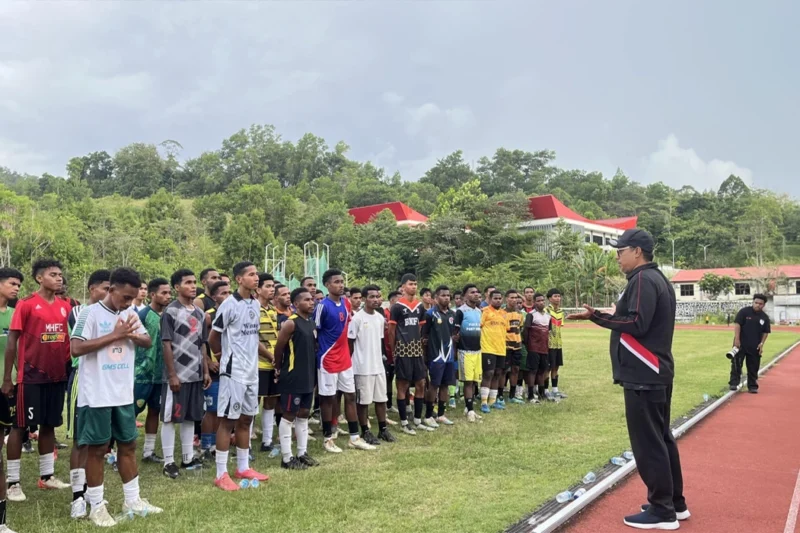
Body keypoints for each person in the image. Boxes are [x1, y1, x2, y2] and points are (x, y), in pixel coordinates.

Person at [568, 228, 687, 530]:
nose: (618, 258)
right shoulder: (654, 279)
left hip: (644, 373)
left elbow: (636, 322)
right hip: (654, 371)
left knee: (649, 443)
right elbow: (636, 316)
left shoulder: (643, 279)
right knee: (661, 438)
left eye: (620, 252)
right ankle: (674, 502)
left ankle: (663, 511)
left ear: (636, 251)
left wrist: (595, 316)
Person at [71, 267, 162, 526]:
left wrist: (132, 333)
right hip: (97, 393)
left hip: (123, 392)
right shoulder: (89, 313)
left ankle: (132, 499)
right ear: (111, 290)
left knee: (128, 445)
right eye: (124, 297)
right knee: (98, 449)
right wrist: (115, 335)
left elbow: (145, 341)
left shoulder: (130, 312)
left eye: (132, 298)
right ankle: (97, 506)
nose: (129, 303)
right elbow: (75, 348)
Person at [2, 259, 72, 503]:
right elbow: (12, 341)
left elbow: (66, 342)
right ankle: (12, 482)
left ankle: (46, 476)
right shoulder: (26, 305)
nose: (59, 278)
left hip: (57, 377)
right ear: (40, 278)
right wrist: (8, 378)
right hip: (30, 377)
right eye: (53, 274)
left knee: (50, 425)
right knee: (19, 428)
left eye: (60, 274)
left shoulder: (65, 306)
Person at [209, 261, 269, 491]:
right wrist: (221, 356)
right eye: (251, 275)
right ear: (239, 279)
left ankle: (243, 466)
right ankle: (221, 473)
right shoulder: (228, 305)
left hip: (252, 371)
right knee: (228, 421)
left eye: (257, 275)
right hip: (234, 372)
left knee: (246, 419)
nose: (256, 278)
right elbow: (214, 336)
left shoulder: (255, 304)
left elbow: (252, 339)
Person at [66, 269, 111, 519]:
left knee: (99, 441)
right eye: (105, 288)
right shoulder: (80, 311)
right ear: (93, 288)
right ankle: (77, 496)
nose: (109, 293)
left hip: (107, 380)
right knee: (80, 441)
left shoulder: (116, 314)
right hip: (83, 380)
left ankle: (94, 493)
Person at [315, 269, 375, 452]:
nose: (340, 285)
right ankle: (327, 438)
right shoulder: (322, 306)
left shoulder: (347, 304)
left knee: (350, 396)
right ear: (327, 285)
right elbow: (315, 333)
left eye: (342, 281)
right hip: (328, 359)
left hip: (344, 359)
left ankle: (354, 437)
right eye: (336, 282)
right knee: (328, 398)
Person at [160, 269, 210, 479]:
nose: (192, 286)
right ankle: (168, 461)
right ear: (177, 287)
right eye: (187, 282)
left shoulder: (200, 313)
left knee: (191, 416)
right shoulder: (170, 312)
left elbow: (203, 344)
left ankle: (188, 457)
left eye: (194, 282)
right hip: (178, 375)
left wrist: (206, 370)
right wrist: (172, 375)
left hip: (196, 374)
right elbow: (166, 345)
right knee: (171, 418)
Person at [273, 288, 320, 470]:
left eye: (312, 299)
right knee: (289, 416)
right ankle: (286, 458)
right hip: (293, 377)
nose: (311, 302)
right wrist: (278, 368)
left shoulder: (311, 322)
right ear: (296, 303)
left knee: (303, 415)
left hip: (308, 376)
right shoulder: (290, 323)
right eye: (307, 300)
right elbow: (279, 348)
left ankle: (302, 453)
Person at [348, 285, 395, 444]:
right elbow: (350, 343)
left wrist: (383, 360)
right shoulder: (357, 319)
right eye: (372, 297)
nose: (376, 300)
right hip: (362, 367)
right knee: (363, 402)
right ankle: (365, 431)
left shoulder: (380, 318)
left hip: (378, 366)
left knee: (381, 399)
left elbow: (380, 341)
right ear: (363, 299)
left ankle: (383, 429)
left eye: (378, 296)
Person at [388, 274, 432, 435]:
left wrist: (419, 345)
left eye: (415, 284)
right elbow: (391, 331)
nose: (414, 286)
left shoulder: (420, 307)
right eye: (410, 284)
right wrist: (395, 351)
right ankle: (404, 422)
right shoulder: (397, 307)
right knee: (403, 385)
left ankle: (418, 420)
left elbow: (420, 329)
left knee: (421, 383)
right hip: (403, 350)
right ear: (403, 287)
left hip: (416, 350)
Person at [134, 278, 171, 466]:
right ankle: (112, 452)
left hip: (161, 375)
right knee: (129, 413)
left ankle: (148, 451)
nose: (167, 296)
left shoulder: (169, 315)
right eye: (163, 293)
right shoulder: (143, 314)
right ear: (152, 295)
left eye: (169, 293)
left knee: (155, 412)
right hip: (141, 374)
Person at [0, 268, 22, 533]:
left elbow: (16, 350)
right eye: (12, 283)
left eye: (18, 284)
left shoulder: (15, 314)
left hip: (7, 386)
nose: (16, 288)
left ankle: (2, 522)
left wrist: (16, 379)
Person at [200, 280, 230, 459]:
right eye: (223, 293)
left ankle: (217, 445)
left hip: (230, 368)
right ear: (213, 297)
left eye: (229, 292)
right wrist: (208, 362)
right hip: (214, 369)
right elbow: (200, 342)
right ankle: (205, 446)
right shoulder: (208, 316)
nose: (227, 296)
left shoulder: (234, 312)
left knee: (223, 409)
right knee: (211, 409)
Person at [421, 285, 457, 427]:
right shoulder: (430, 314)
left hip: (449, 356)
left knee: (445, 385)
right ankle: (429, 415)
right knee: (434, 385)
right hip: (436, 356)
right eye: (443, 295)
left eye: (448, 295)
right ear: (436, 298)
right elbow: (424, 336)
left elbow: (453, 334)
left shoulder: (452, 315)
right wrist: (425, 356)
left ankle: (441, 414)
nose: (446, 298)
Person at [255, 274, 281, 456]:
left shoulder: (272, 309)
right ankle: (246, 440)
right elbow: (253, 339)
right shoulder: (253, 308)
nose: (272, 289)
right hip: (259, 364)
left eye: (273, 286)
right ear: (258, 289)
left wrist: (277, 357)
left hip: (273, 363)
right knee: (252, 402)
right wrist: (270, 356)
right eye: (268, 286)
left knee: (271, 400)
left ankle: (267, 440)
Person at [729, 294, 771, 393]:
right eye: (756, 303)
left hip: (755, 346)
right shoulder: (744, 312)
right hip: (741, 344)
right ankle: (734, 383)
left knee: (753, 367)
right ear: (753, 302)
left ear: (763, 305)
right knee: (736, 364)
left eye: (760, 304)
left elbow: (765, 332)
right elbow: (737, 324)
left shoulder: (765, 318)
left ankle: (752, 386)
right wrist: (737, 340)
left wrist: (761, 343)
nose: (758, 305)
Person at [455, 284, 483, 422]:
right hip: (465, 351)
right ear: (465, 296)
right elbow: (455, 334)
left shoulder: (479, 312)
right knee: (467, 381)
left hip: (477, 350)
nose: (475, 294)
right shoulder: (460, 312)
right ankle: (471, 410)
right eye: (472, 292)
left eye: (477, 292)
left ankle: (468, 406)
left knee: (474, 382)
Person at [479, 290, 507, 412]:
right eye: (495, 298)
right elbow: (479, 327)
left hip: (501, 349)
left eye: (500, 298)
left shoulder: (504, 314)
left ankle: (493, 401)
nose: (498, 300)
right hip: (487, 348)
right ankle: (484, 402)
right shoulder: (484, 312)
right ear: (490, 299)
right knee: (488, 373)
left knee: (497, 374)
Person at [522, 293, 550, 403]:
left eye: (543, 300)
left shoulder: (548, 316)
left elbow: (548, 331)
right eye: (538, 301)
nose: (541, 302)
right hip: (533, 347)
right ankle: (530, 395)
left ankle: (542, 393)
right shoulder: (531, 315)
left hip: (544, 348)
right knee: (532, 371)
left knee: (542, 371)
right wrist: (528, 345)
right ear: (534, 302)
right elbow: (526, 331)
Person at [545, 288, 567, 399]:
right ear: (549, 298)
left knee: (556, 367)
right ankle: (544, 390)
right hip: (549, 343)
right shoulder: (546, 311)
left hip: (558, 343)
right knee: (547, 368)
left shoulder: (561, 312)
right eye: (555, 296)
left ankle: (555, 390)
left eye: (559, 296)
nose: (558, 298)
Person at [504, 290, 524, 405]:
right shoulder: (502, 313)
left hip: (517, 346)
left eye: (516, 298)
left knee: (515, 370)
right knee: (503, 371)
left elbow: (519, 329)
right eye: (511, 297)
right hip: (505, 346)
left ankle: (512, 395)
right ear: (507, 299)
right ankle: (500, 395)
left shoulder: (520, 314)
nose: (514, 300)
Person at [384, 290, 400, 413]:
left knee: (398, 379)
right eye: (398, 299)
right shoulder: (384, 314)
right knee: (387, 379)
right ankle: (386, 403)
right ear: (392, 300)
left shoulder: (401, 314)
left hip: (399, 350)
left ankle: (391, 404)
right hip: (387, 351)